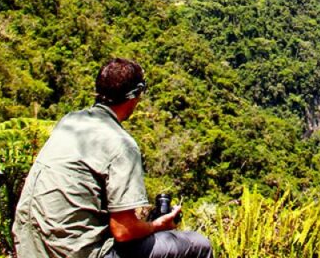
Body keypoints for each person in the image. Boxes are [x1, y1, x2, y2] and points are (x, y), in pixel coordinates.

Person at [13, 58, 213, 258]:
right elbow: (123, 231)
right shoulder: (122, 145)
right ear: (135, 95)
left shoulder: (70, 121)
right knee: (198, 245)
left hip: (30, 246)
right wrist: (158, 225)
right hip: (77, 253)